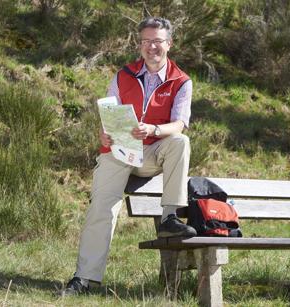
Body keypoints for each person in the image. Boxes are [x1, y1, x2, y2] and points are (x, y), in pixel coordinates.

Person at [60, 17, 196, 296]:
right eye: (146, 41)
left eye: (157, 41)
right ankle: (85, 278)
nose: (151, 47)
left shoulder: (181, 81)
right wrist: (104, 134)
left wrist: (154, 129)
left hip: (154, 151)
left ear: (169, 44)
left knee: (180, 141)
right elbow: (110, 111)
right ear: (140, 44)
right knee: (101, 208)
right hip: (119, 151)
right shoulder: (123, 75)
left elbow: (179, 123)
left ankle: (170, 216)